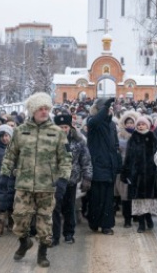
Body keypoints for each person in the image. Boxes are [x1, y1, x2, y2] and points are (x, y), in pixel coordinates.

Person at [0, 93, 71, 267]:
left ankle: (42, 253)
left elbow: (66, 159)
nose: (44, 112)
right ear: (33, 110)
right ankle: (25, 242)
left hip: (47, 186)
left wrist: (63, 180)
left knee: (45, 221)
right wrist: (4, 174)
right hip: (23, 184)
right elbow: (10, 155)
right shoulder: (20, 131)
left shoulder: (57, 133)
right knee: (19, 218)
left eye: (47, 108)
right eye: (40, 108)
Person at [52, 114, 92, 246]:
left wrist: (87, 177)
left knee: (69, 208)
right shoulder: (50, 141)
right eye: (60, 127)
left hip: (71, 180)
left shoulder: (78, 141)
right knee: (54, 208)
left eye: (65, 127)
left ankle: (69, 233)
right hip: (54, 181)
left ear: (70, 127)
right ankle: (54, 236)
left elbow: (85, 161)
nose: (63, 129)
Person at [86, 98, 121, 235]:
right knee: (96, 197)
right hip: (97, 165)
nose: (109, 110)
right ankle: (94, 222)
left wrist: (118, 163)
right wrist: (105, 106)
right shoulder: (93, 122)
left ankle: (107, 225)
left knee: (108, 198)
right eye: (106, 109)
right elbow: (96, 120)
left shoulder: (112, 125)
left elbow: (115, 145)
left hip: (109, 165)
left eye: (110, 108)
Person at [123, 116, 157, 233]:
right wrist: (127, 172)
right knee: (138, 199)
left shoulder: (152, 137)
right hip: (136, 174)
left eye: (143, 124)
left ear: (147, 125)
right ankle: (141, 223)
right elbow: (128, 156)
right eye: (138, 125)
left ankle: (149, 218)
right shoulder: (133, 137)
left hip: (150, 173)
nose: (140, 126)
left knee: (149, 198)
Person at [116, 112, 138, 228]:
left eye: (132, 122)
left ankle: (136, 215)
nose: (130, 125)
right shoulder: (120, 135)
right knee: (125, 195)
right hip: (123, 168)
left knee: (135, 194)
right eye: (127, 122)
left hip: (136, 169)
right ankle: (127, 219)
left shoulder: (139, 135)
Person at [0, 124, 15, 238]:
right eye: (2, 136)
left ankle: (11, 222)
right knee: (0, 203)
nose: (5, 138)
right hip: (0, 179)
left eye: (7, 135)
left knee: (12, 203)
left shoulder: (15, 149)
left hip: (13, 179)